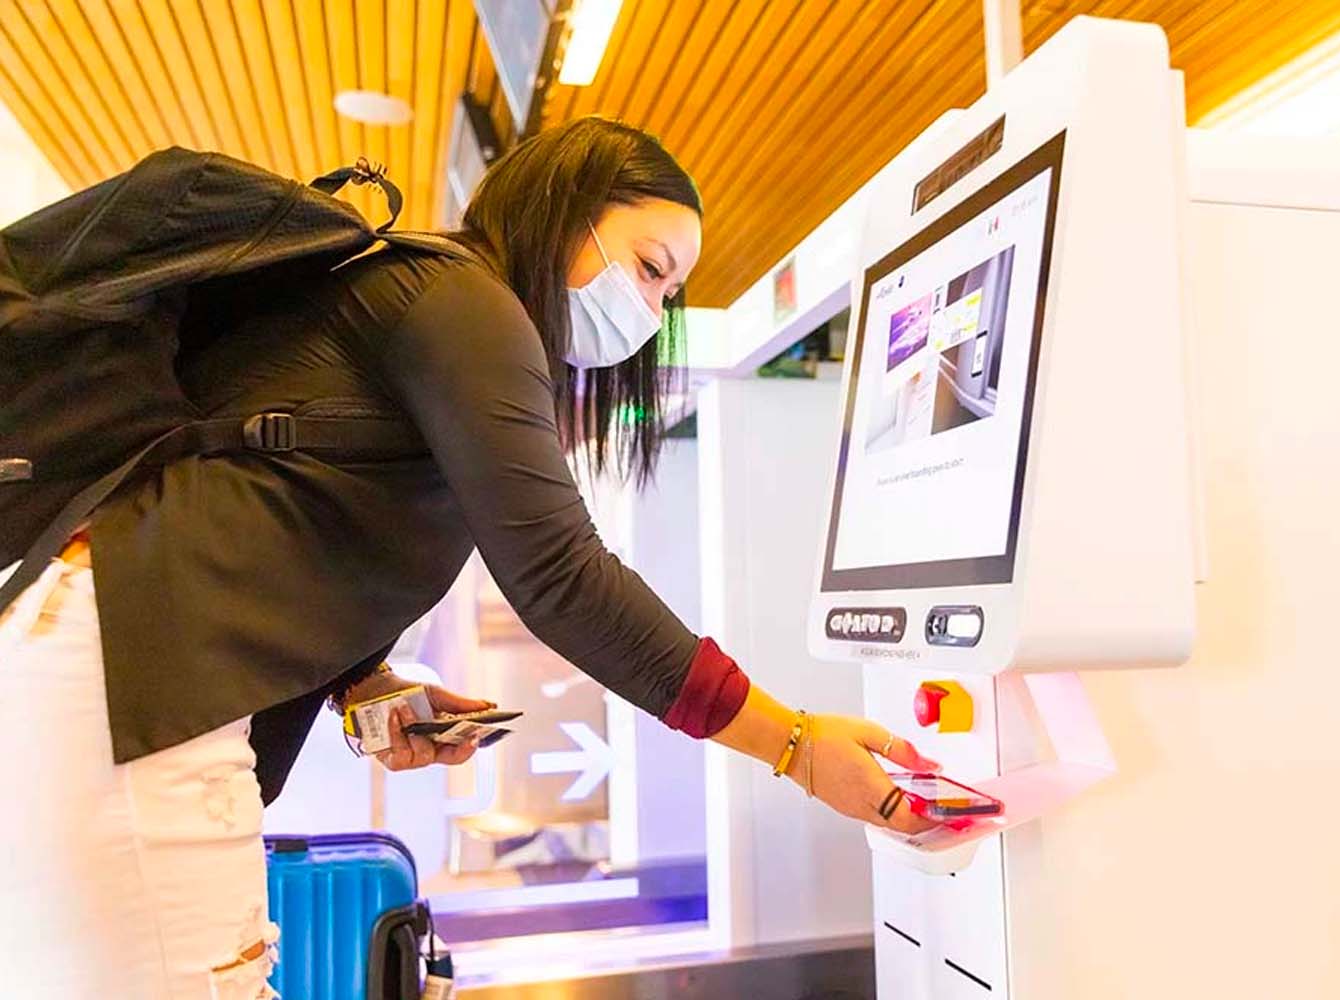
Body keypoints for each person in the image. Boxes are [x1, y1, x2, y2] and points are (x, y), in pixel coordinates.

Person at [0, 116, 938, 1000]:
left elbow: (283, 505)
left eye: (669, 295)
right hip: (132, 679)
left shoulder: (433, 305)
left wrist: (359, 686)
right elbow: (564, 579)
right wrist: (797, 746)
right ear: (566, 210)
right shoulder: (464, 302)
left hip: (117, 667)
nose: (652, 309)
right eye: (651, 269)